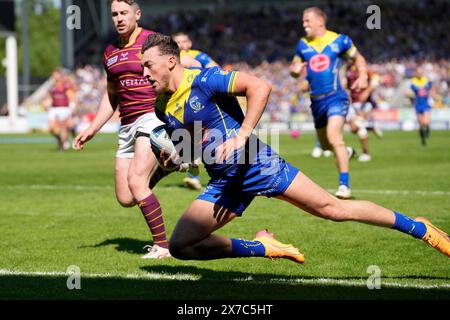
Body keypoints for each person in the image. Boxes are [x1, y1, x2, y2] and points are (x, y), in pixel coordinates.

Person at [139, 33, 450, 264]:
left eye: (148, 66)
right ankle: (264, 247)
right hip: (223, 181)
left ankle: (418, 227)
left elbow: (260, 86)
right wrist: (173, 160)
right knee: (181, 246)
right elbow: (195, 147)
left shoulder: (204, 79)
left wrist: (243, 134)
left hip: (259, 164)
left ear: (170, 61)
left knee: (334, 210)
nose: (144, 74)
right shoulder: (162, 107)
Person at [73, 0, 177, 259]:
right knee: (126, 197)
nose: (119, 18)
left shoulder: (153, 42)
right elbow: (111, 96)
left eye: (124, 13)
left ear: (137, 15)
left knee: (136, 182)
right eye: (115, 14)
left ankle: (162, 247)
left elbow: (173, 74)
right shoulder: (109, 52)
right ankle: (168, 165)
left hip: (151, 118)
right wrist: (93, 128)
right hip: (126, 125)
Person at [289, 7, 369, 199]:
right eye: (303, 21)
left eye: (307, 20)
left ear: (320, 21)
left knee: (335, 138)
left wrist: (363, 74)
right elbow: (293, 70)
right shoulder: (302, 44)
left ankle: (344, 185)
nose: (304, 24)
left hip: (336, 97)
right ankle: (346, 151)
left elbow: (358, 58)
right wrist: (295, 69)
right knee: (326, 146)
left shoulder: (340, 40)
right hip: (316, 102)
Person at [171, 32, 220, 190]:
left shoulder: (198, 56)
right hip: (180, 103)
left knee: (200, 136)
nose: (181, 45)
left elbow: (215, 68)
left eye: (184, 41)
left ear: (190, 43)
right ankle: (194, 171)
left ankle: (194, 172)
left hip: (199, 99)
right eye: (177, 42)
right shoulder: (171, 59)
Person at [346, 64, 382, 162]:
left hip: (365, 104)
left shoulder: (364, 68)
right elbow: (348, 85)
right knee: (353, 129)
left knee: (359, 124)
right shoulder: (348, 68)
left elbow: (376, 79)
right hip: (353, 103)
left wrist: (367, 91)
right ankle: (371, 128)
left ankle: (365, 153)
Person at [47, 68, 77, 151]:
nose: (54, 76)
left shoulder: (65, 85)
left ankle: (62, 146)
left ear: (59, 75)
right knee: (51, 128)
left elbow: (71, 96)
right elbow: (50, 97)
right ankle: (61, 140)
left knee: (63, 127)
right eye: (53, 75)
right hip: (54, 108)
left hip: (64, 108)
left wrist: (73, 107)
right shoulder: (52, 86)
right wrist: (47, 104)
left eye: (56, 74)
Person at [408, 66, 433, 146]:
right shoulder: (413, 81)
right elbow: (409, 92)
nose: (419, 73)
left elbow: (431, 88)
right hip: (418, 105)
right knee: (421, 124)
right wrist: (410, 96)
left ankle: (427, 130)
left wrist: (431, 96)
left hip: (425, 104)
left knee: (426, 122)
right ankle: (423, 140)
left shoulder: (426, 81)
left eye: (420, 72)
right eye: (418, 72)